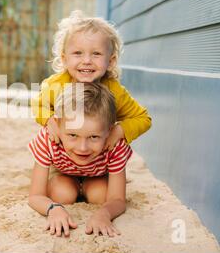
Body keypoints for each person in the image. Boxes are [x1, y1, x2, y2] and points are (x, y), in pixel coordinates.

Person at [31, 10, 151, 151]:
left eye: (96, 54)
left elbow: (143, 118)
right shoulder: (57, 84)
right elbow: (38, 105)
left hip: (96, 156)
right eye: (78, 53)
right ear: (64, 59)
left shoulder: (114, 91)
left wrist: (119, 131)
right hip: (66, 153)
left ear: (111, 61)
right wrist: (49, 120)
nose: (87, 61)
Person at [28, 83, 132, 237]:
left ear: (109, 131)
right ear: (57, 125)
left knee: (101, 196)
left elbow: (117, 199)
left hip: (97, 177)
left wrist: (104, 214)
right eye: (73, 135)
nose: (82, 148)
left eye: (94, 137)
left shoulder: (115, 144)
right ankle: (70, 186)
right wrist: (53, 209)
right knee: (62, 194)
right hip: (64, 175)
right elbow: (35, 196)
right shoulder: (48, 139)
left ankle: (87, 187)